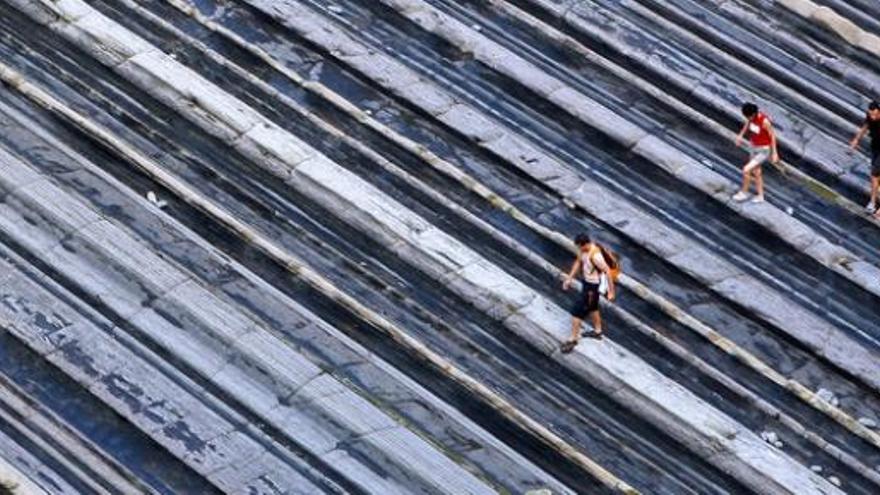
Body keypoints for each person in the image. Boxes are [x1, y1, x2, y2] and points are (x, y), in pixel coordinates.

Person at [560, 233, 615, 353]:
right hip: (586, 283)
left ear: (584, 244)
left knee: (576, 312)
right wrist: (569, 278)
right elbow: (578, 262)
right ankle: (597, 331)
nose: (579, 249)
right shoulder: (583, 251)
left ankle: (573, 339)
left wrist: (611, 292)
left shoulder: (596, 256)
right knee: (592, 307)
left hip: (592, 288)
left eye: (579, 247)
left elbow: (608, 272)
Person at [733, 102, 779, 203]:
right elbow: (747, 124)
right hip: (753, 147)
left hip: (763, 150)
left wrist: (774, 153)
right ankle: (760, 196)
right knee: (756, 172)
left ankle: (743, 193)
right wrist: (740, 135)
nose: (747, 118)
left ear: (753, 114)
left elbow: (772, 136)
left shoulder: (764, 121)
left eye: (748, 116)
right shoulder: (751, 119)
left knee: (746, 170)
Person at [849, 101, 880, 214]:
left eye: (875, 115)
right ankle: (873, 203)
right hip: (875, 147)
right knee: (876, 176)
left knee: (874, 174)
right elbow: (865, 127)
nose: (873, 117)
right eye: (871, 114)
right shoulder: (869, 117)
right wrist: (856, 140)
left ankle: (873, 203)